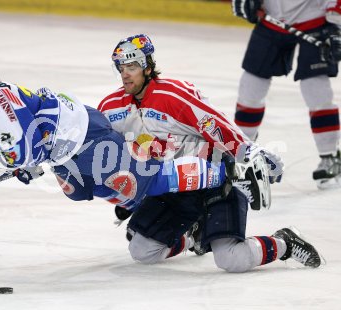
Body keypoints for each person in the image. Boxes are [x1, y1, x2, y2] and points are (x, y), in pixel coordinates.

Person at [97, 33, 322, 272]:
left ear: (147, 66)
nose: (125, 73)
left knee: (232, 259)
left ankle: (285, 242)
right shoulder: (112, 107)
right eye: (121, 67)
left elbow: (215, 125)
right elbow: (104, 146)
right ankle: (195, 234)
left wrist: (250, 152)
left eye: (131, 66)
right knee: (142, 250)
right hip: (173, 186)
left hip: (216, 179)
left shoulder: (173, 96)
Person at [0, 56, 245, 228]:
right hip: (62, 145)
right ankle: (155, 208)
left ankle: (227, 173)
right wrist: (23, 162)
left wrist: (3, 161)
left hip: (81, 135)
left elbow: (24, 145)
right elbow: (22, 132)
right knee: (81, 190)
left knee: (142, 181)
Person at [232, 0, 341, 188]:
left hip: (314, 19)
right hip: (271, 19)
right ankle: (242, 151)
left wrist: (337, 27)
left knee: (315, 90)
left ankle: (330, 155)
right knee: (251, 88)